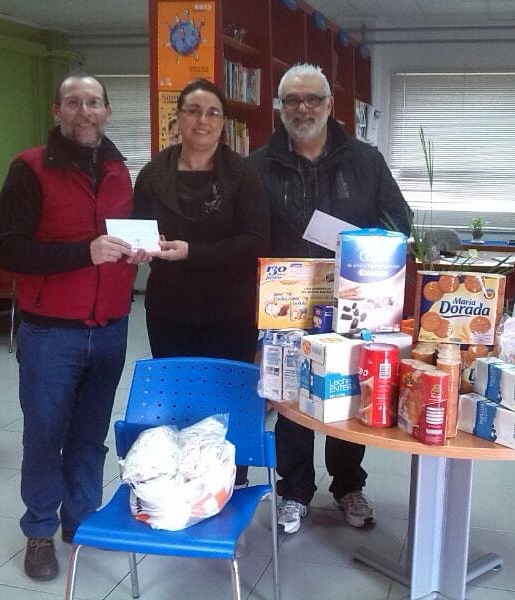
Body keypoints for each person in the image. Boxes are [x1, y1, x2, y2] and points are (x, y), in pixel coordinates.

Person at [0, 72, 150, 582]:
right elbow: (10, 250)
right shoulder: (30, 168)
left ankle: (80, 520)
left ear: (107, 112)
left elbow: (126, 236)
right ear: (57, 112)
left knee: (89, 436)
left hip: (109, 327)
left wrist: (148, 248)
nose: (84, 111)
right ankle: (39, 529)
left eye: (93, 103)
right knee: (45, 435)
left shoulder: (119, 169)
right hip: (50, 332)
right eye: (73, 102)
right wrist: (84, 253)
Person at [249, 63, 411, 534]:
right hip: (286, 307)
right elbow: (247, 236)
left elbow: (401, 222)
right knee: (293, 400)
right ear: (280, 108)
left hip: (352, 302)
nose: (303, 108)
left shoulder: (366, 160)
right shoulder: (258, 165)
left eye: (312, 99)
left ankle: (347, 485)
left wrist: (360, 245)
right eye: (292, 100)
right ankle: (295, 491)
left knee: (346, 395)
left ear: (329, 106)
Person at [132, 78, 270, 486]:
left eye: (212, 112)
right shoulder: (153, 173)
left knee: (229, 404)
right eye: (193, 110)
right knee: (177, 404)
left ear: (223, 123)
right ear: (178, 117)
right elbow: (139, 230)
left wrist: (193, 252)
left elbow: (256, 241)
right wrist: (139, 246)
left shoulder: (243, 175)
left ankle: (232, 485)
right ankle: (181, 488)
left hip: (231, 312)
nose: (202, 120)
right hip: (170, 310)